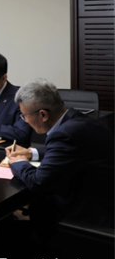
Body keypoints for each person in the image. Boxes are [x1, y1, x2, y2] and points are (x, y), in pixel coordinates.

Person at [6, 79, 113, 228]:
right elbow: (70, 151)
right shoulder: (79, 120)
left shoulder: (64, 135)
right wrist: (31, 152)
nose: (25, 121)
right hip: (104, 199)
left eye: (24, 116)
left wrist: (19, 163)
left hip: (89, 214)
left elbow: (38, 182)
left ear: (43, 115)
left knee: (16, 219)